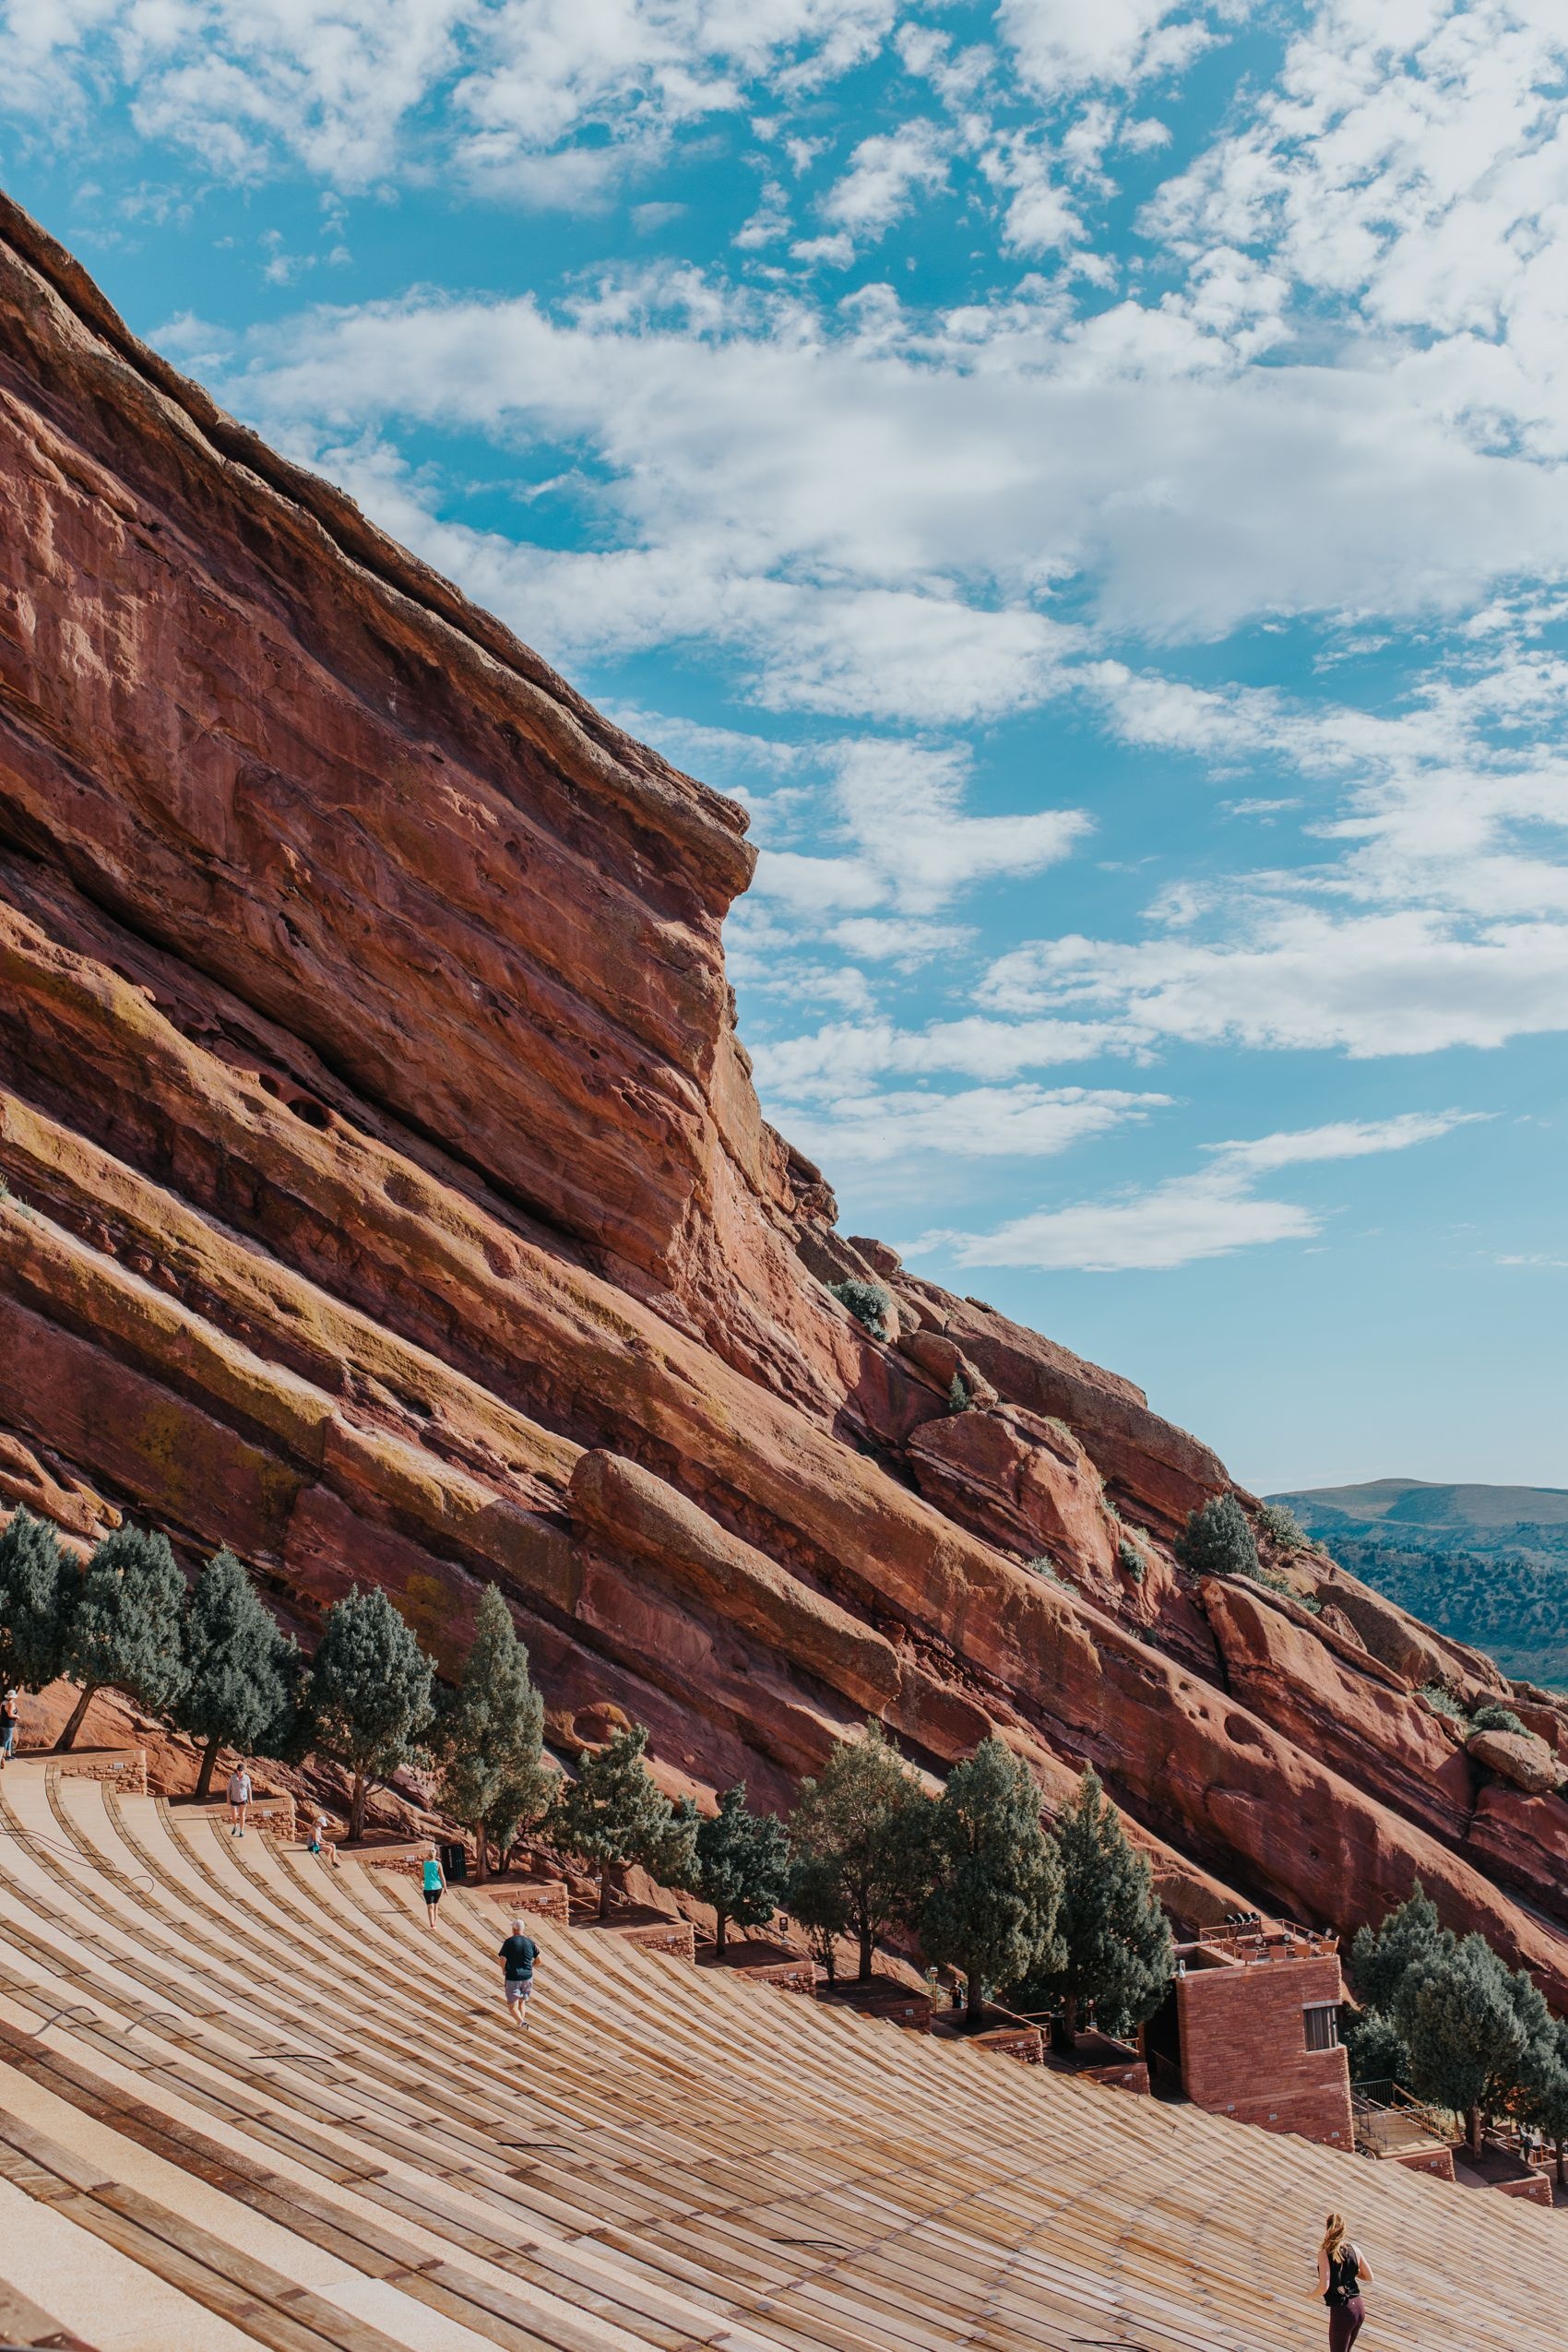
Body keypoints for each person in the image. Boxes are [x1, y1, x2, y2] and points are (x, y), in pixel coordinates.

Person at [1317, 2212, 1372, 2350]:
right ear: (1344, 2230)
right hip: (1359, 2308)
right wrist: (1351, 2271)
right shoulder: (1355, 2249)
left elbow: (1324, 2286)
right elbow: (1370, 2277)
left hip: (1343, 2311)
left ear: (1327, 2229)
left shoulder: (1325, 2253)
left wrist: (1309, 2295)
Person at [497, 1917, 540, 2031]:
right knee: (522, 2003)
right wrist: (531, 1966)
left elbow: (502, 1958)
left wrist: (503, 1969)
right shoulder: (530, 1942)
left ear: (514, 1929)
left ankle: (521, 2022)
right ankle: (522, 2023)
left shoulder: (509, 1941)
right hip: (527, 1977)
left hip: (513, 1977)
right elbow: (539, 1960)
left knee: (512, 2006)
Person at [421, 1844, 445, 1928]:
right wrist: (445, 1888)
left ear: (428, 1855)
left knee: (430, 1907)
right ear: (435, 1855)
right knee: (436, 1905)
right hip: (438, 1887)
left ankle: (432, 1924)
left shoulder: (424, 1864)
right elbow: (442, 1877)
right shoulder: (438, 1864)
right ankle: (434, 1922)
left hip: (428, 1888)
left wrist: (421, 1884)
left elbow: (421, 1876)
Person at [226, 1764, 253, 1837]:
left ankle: (241, 1830)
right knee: (234, 1815)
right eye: (238, 1771)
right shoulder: (233, 1777)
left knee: (242, 1814)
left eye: (241, 1771)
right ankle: (235, 1826)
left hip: (243, 1798)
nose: (240, 1772)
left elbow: (249, 1789)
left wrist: (250, 1799)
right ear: (237, 1770)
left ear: (243, 1771)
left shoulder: (247, 1778)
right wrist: (228, 1799)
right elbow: (228, 1789)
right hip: (234, 1798)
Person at [0, 1687, 19, 1767]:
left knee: (8, 1739)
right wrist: (17, 1716)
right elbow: (10, 1714)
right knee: (6, 1740)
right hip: (9, 1724)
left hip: (3, 1723)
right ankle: (3, 1756)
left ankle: (8, 1755)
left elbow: (1, 1712)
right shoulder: (11, 1703)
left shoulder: (3, 1702)